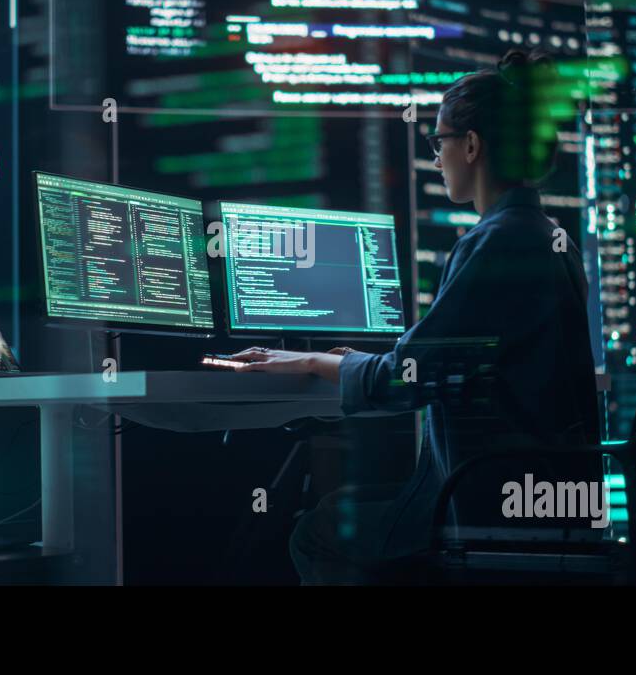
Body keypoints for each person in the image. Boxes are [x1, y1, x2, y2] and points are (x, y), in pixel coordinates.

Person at [228, 49, 601, 584]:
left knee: (316, 530)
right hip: (546, 498)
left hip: (488, 503)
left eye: (440, 142)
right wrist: (354, 362)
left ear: (471, 145)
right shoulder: (548, 236)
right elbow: (444, 363)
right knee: (353, 503)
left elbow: (408, 379)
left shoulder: (496, 241)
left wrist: (311, 360)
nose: (436, 158)